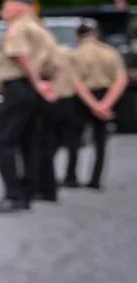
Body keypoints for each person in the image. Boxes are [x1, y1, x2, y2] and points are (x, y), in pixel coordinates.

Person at [0, 0, 59, 213]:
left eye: (6, 7)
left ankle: (13, 195)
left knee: (4, 140)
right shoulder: (42, 30)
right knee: (29, 142)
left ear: (20, 8)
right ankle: (29, 191)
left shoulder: (18, 28)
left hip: (19, 86)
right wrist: (45, 84)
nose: (2, 11)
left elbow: (21, 56)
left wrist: (36, 82)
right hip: (35, 89)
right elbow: (55, 61)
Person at [67, 20, 129, 189]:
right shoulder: (111, 52)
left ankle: (71, 177)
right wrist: (105, 104)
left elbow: (76, 83)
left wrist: (93, 105)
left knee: (74, 139)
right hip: (105, 96)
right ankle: (95, 179)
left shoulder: (75, 54)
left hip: (82, 99)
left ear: (78, 36)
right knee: (100, 141)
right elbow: (121, 80)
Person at [49, 42, 82, 189]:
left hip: (53, 100)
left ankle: (48, 176)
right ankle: (71, 177)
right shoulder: (73, 55)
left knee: (51, 141)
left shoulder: (49, 55)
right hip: (71, 100)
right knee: (73, 142)